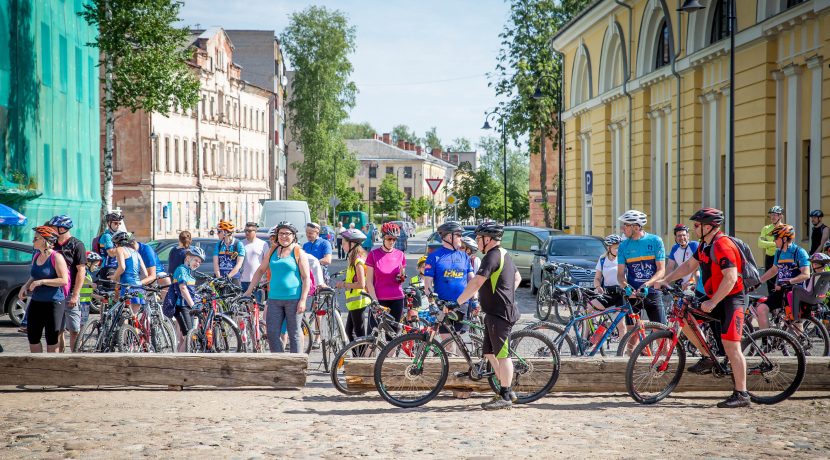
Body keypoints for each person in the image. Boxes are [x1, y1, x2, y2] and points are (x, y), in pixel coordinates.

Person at [659, 207, 750, 408]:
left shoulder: (723, 245)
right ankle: (708, 357)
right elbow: (689, 266)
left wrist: (713, 302)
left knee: (731, 347)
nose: (694, 228)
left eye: (697, 225)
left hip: (731, 299)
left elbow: (731, 278)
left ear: (709, 227)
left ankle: (742, 394)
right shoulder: (704, 245)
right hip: (714, 297)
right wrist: (666, 279)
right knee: (684, 317)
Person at [456, 222, 521, 410]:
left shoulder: (492, 256)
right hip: (494, 313)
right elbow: (516, 278)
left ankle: (506, 394)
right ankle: (504, 389)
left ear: (488, 239)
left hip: (500, 314)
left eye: (479, 238)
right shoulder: (504, 254)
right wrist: (507, 293)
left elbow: (476, 282)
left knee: (503, 354)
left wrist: (458, 302)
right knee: (489, 352)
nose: (477, 241)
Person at [243, 221, 311, 353]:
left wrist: (303, 300)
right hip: (274, 299)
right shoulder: (272, 250)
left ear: (293, 236)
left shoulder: (298, 252)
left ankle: (296, 367)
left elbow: (306, 277)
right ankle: (280, 362)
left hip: (294, 299)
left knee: (294, 334)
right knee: (272, 333)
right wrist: (248, 290)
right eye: (281, 233)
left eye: (287, 234)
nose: (284, 236)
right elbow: (260, 270)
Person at [20, 226, 69, 353]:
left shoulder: (56, 257)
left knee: (52, 338)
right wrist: (25, 286)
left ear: (45, 240)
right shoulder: (36, 256)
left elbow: (63, 280)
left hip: (53, 302)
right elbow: (34, 275)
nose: (33, 241)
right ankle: (37, 367)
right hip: (37, 301)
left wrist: (41, 282)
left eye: (36, 238)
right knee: (33, 336)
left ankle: (52, 369)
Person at [756, 224, 811, 330]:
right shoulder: (779, 252)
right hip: (781, 292)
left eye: (776, 238)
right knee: (761, 309)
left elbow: (806, 274)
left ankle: (801, 344)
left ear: (785, 239)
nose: (774, 241)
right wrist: (759, 281)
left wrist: (789, 282)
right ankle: (765, 342)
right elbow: (774, 270)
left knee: (795, 328)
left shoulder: (799, 252)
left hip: (794, 293)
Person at [424, 221, 475, 336]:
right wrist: (434, 303)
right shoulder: (433, 257)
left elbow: (472, 280)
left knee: (460, 345)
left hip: (462, 303)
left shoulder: (464, 256)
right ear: (448, 236)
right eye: (458, 235)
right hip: (443, 306)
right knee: (447, 344)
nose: (461, 238)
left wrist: (475, 299)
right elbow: (427, 285)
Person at [616, 210, 666, 324]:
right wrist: (625, 286)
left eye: (626, 225)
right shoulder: (623, 245)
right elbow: (620, 274)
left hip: (652, 292)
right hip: (632, 295)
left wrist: (647, 284)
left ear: (636, 227)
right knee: (632, 337)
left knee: (661, 336)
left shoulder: (655, 241)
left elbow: (661, 270)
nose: (623, 228)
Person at [47, 215, 87, 353]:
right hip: (55, 293)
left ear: (62, 228)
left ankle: (75, 356)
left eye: (53, 227)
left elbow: (81, 270)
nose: (50, 230)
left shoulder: (77, 245)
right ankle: (59, 358)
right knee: (57, 329)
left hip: (70, 293)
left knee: (74, 329)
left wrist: (75, 294)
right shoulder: (52, 244)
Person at [366, 222, 407, 325]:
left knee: (392, 337)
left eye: (394, 239)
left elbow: (401, 279)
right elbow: (369, 282)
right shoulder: (373, 255)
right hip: (379, 300)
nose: (392, 241)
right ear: (383, 238)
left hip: (397, 299)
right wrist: (374, 301)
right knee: (373, 333)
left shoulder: (400, 255)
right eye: (389, 239)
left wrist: (401, 277)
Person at [589, 234, 627, 339]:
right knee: (587, 309)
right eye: (617, 248)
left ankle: (621, 352)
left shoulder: (622, 259)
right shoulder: (602, 260)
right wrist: (598, 287)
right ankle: (585, 337)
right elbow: (597, 278)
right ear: (609, 248)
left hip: (620, 294)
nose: (619, 250)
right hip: (607, 293)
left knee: (621, 325)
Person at [337, 228, 371, 342]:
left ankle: (361, 359)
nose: (342, 246)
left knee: (359, 334)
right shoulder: (353, 259)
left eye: (344, 243)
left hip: (359, 301)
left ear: (352, 244)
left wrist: (343, 284)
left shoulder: (358, 261)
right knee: (350, 332)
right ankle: (357, 357)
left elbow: (361, 284)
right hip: (354, 303)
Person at [172, 247, 205, 352]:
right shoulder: (181, 269)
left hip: (187, 307)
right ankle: (179, 363)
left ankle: (178, 360)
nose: (197, 263)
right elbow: (183, 288)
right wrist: (193, 305)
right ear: (188, 258)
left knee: (184, 338)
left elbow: (191, 292)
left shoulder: (188, 271)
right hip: (182, 307)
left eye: (199, 262)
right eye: (196, 260)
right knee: (189, 338)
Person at [111, 231, 150, 308]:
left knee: (124, 313)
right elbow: (145, 274)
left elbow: (122, 267)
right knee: (134, 316)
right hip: (138, 288)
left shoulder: (120, 249)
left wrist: (114, 277)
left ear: (117, 243)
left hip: (127, 287)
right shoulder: (136, 253)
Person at [759, 205, 784, 294]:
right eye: (771, 215)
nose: (772, 217)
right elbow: (760, 243)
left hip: (781, 257)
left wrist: (768, 244)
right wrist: (774, 244)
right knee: (770, 282)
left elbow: (783, 245)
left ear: (780, 216)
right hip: (769, 257)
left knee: (780, 281)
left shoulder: (785, 228)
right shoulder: (766, 229)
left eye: (775, 215)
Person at [240, 222, 268, 301]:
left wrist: (264, 278)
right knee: (244, 307)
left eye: (249, 231)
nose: (246, 233)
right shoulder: (241, 243)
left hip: (257, 281)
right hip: (243, 280)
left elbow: (266, 262)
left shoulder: (263, 244)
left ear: (255, 231)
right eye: (245, 230)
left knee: (257, 307)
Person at [666, 224, 699, 290]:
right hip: (682, 284)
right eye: (679, 236)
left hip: (695, 282)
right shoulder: (675, 248)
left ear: (688, 236)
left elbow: (697, 267)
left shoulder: (694, 245)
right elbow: (670, 267)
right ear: (675, 237)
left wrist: (693, 283)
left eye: (684, 235)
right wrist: (665, 281)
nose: (681, 238)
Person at [214, 220, 245, 285]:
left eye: (219, 232)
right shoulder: (218, 245)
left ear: (225, 232)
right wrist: (219, 278)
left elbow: (239, 265)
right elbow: (216, 264)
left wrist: (227, 278)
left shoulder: (238, 244)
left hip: (233, 278)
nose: (217, 234)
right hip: (220, 277)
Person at [96, 211, 124, 285]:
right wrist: (122, 245)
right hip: (108, 267)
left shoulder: (118, 234)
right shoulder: (107, 236)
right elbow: (111, 253)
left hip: (117, 267)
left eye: (119, 223)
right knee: (110, 293)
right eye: (115, 223)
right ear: (109, 224)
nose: (118, 225)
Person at [79, 251, 101, 334]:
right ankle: (78, 341)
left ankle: (79, 340)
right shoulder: (84, 271)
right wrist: (91, 283)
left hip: (86, 302)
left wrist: (99, 297)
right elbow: (83, 277)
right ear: (88, 263)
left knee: (82, 324)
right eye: (95, 265)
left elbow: (87, 292)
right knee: (81, 325)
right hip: (81, 302)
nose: (96, 267)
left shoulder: (88, 274)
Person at [460, 236, 481, 316]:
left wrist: (474, 298)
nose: (458, 249)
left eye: (461, 247)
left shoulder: (475, 261)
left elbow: (476, 280)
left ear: (468, 250)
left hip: (471, 293)